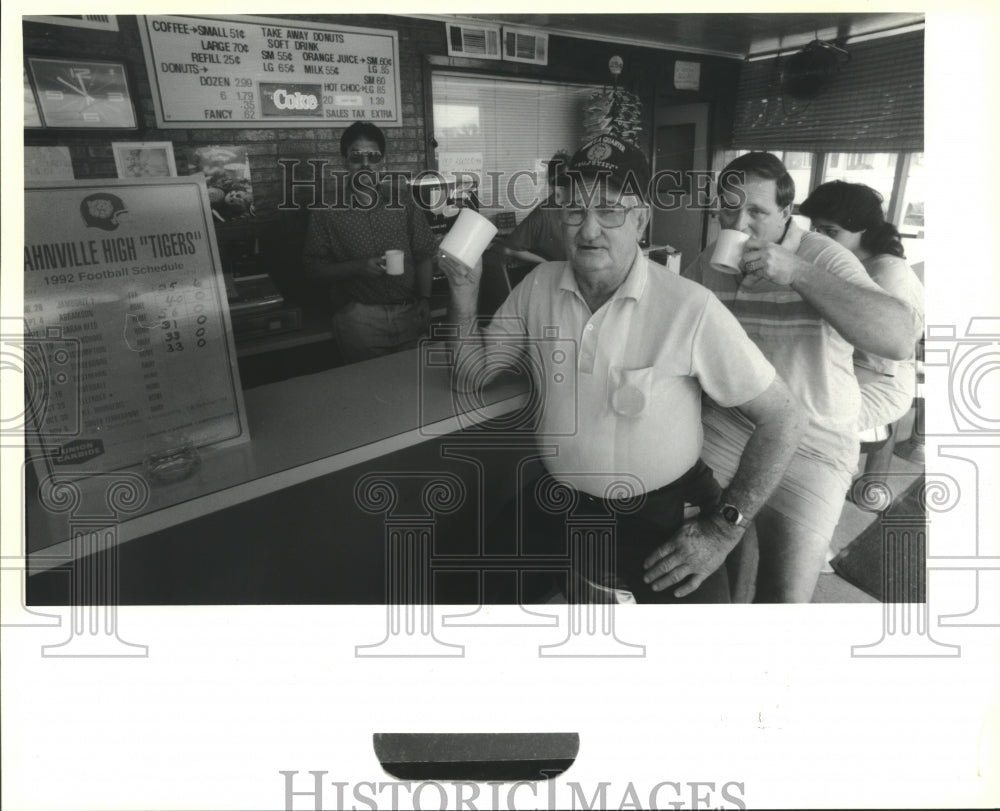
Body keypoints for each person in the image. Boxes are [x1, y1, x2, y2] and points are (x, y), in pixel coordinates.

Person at [439, 135, 806, 604]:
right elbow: (473, 375)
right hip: (562, 499)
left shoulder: (689, 306)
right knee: (484, 590)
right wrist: (464, 297)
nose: (588, 230)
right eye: (574, 210)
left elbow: (784, 417)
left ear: (641, 218)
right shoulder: (538, 286)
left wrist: (722, 528)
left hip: (662, 513)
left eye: (610, 209)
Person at [683, 152, 923, 602]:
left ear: (786, 213)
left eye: (757, 211)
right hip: (730, 425)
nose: (740, 223)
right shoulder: (706, 263)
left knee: (785, 592)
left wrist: (796, 273)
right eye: (730, 209)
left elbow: (898, 338)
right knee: (702, 559)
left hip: (815, 439)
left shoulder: (823, 256)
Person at [303, 122, 438, 364]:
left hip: (410, 313)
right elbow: (312, 270)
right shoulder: (326, 209)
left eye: (373, 156)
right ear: (345, 160)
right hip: (359, 320)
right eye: (357, 156)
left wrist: (426, 299)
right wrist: (358, 267)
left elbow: (424, 252)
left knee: (416, 386)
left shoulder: (403, 201)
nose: (366, 164)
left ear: (382, 161)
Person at [499, 151, 571, 265]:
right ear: (553, 181)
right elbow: (509, 248)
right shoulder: (543, 213)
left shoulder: (577, 208)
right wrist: (547, 264)